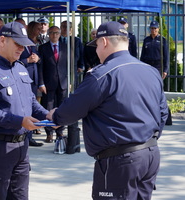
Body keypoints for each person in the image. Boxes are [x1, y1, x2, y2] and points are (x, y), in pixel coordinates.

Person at [47, 21, 168, 199]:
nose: (96, 51)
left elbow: (74, 108)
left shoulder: (102, 74)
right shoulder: (150, 71)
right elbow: (163, 113)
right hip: (150, 155)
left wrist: (55, 116)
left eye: (96, 45)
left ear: (104, 42)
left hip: (120, 160)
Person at [0, 21, 48, 200]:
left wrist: (48, 115)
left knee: (20, 196)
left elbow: (31, 102)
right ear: (3, 40)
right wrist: (19, 121)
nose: (22, 49)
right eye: (18, 44)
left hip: (21, 146)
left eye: (24, 45)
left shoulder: (21, 69)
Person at [38, 26, 68, 143]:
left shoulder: (66, 47)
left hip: (63, 83)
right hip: (48, 83)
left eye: (56, 33)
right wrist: (41, 83)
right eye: (51, 33)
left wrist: (69, 81)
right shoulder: (43, 48)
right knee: (48, 108)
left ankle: (60, 131)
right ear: (48, 34)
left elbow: (70, 65)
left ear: (60, 34)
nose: (54, 35)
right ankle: (49, 133)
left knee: (61, 108)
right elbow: (40, 67)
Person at [59, 20, 82, 154]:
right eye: (63, 27)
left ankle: (72, 131)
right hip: (60, 72)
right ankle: (59, 130)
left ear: (72, 29)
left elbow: (79, 55)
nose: (64, 29)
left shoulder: (76, 41)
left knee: (72, 98)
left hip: (72, 71)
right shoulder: (58, 40)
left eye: (67, 27)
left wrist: (81, 66)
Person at [19, 20, 43, 147]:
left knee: (31, 108)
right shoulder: (19, 42)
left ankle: (30, 136)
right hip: (22, 78)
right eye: (37, 28)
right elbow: (15, 61)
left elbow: (39, 59)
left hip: (32, 80)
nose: (39, 31)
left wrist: (37, 59)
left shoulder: (32, 43)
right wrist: (27, 60)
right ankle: (24, 136)